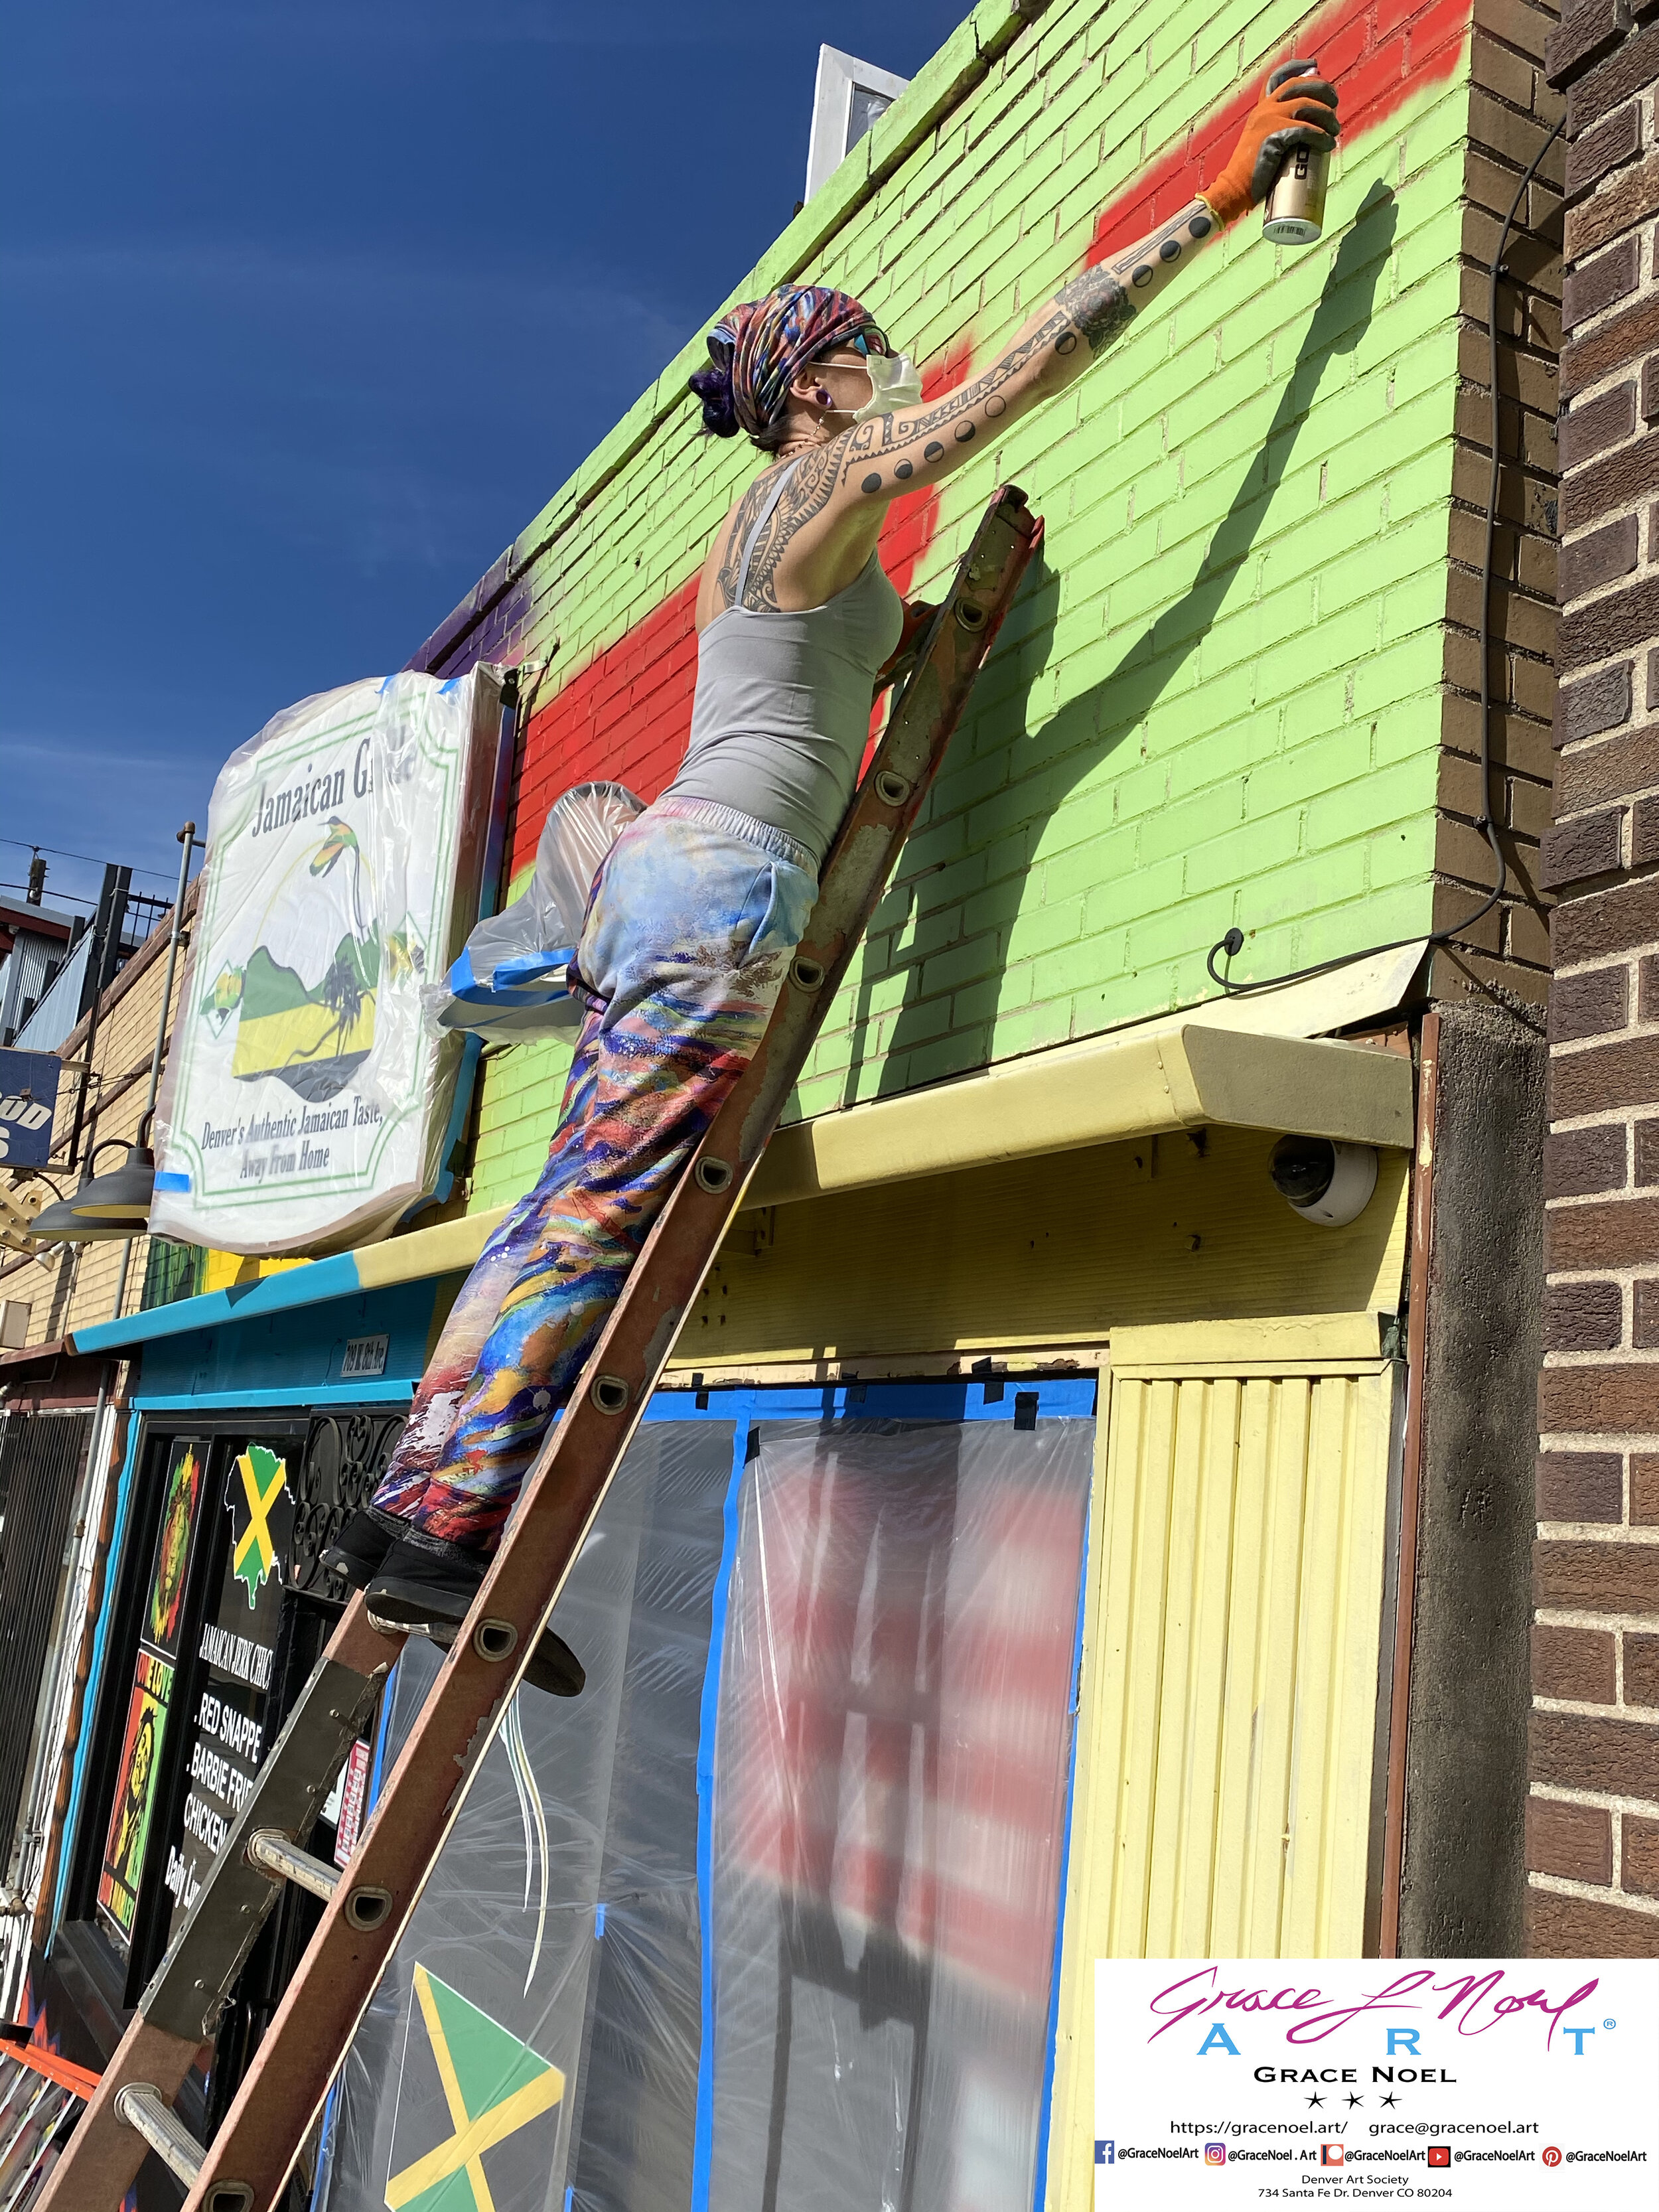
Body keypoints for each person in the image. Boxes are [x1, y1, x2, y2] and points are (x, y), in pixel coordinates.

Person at [323, 61, 1340, 1693]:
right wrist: (1212, 207)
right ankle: (451, 1532)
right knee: (597, 1206)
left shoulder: (802, 563)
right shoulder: (804, 487)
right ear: (809, 388)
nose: (891, 377)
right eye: (864, 359)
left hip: (674, 864)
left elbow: (841, 673)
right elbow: (997, 397)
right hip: (719, 888)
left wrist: (929, 641)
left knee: (559, 1201)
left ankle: (407, 1513)